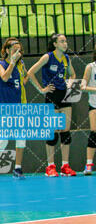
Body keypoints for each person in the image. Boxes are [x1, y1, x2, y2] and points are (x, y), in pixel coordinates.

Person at [27, 33, 76, 177]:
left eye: (66, 41)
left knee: (65, 131)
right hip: (52, 95)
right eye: (62, 41)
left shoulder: (66, 58)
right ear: (55, 44)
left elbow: (72, 74)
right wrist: (41, 89)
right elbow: (30, 73)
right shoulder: (48, 57)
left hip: (64, 95)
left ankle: (65, 166)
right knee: (53, 132)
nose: (65, 44)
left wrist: (70, 83)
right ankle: (50, 167)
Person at [0, 38, 28, 181]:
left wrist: (41, 89)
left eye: (19, 50)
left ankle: (18, 168)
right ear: (8, 51)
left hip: (19, 107)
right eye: (15, 49)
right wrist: (13, 62)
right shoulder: (1, 64)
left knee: (21, 138)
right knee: (3, 139)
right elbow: (4, 77)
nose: (18, 52)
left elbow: (25, 78)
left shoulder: (21, 65)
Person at [80, 49, 96, 175]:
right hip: (94, 105)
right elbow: (82, 87)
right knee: (94, 133)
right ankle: (89, 164)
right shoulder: (90, 67)